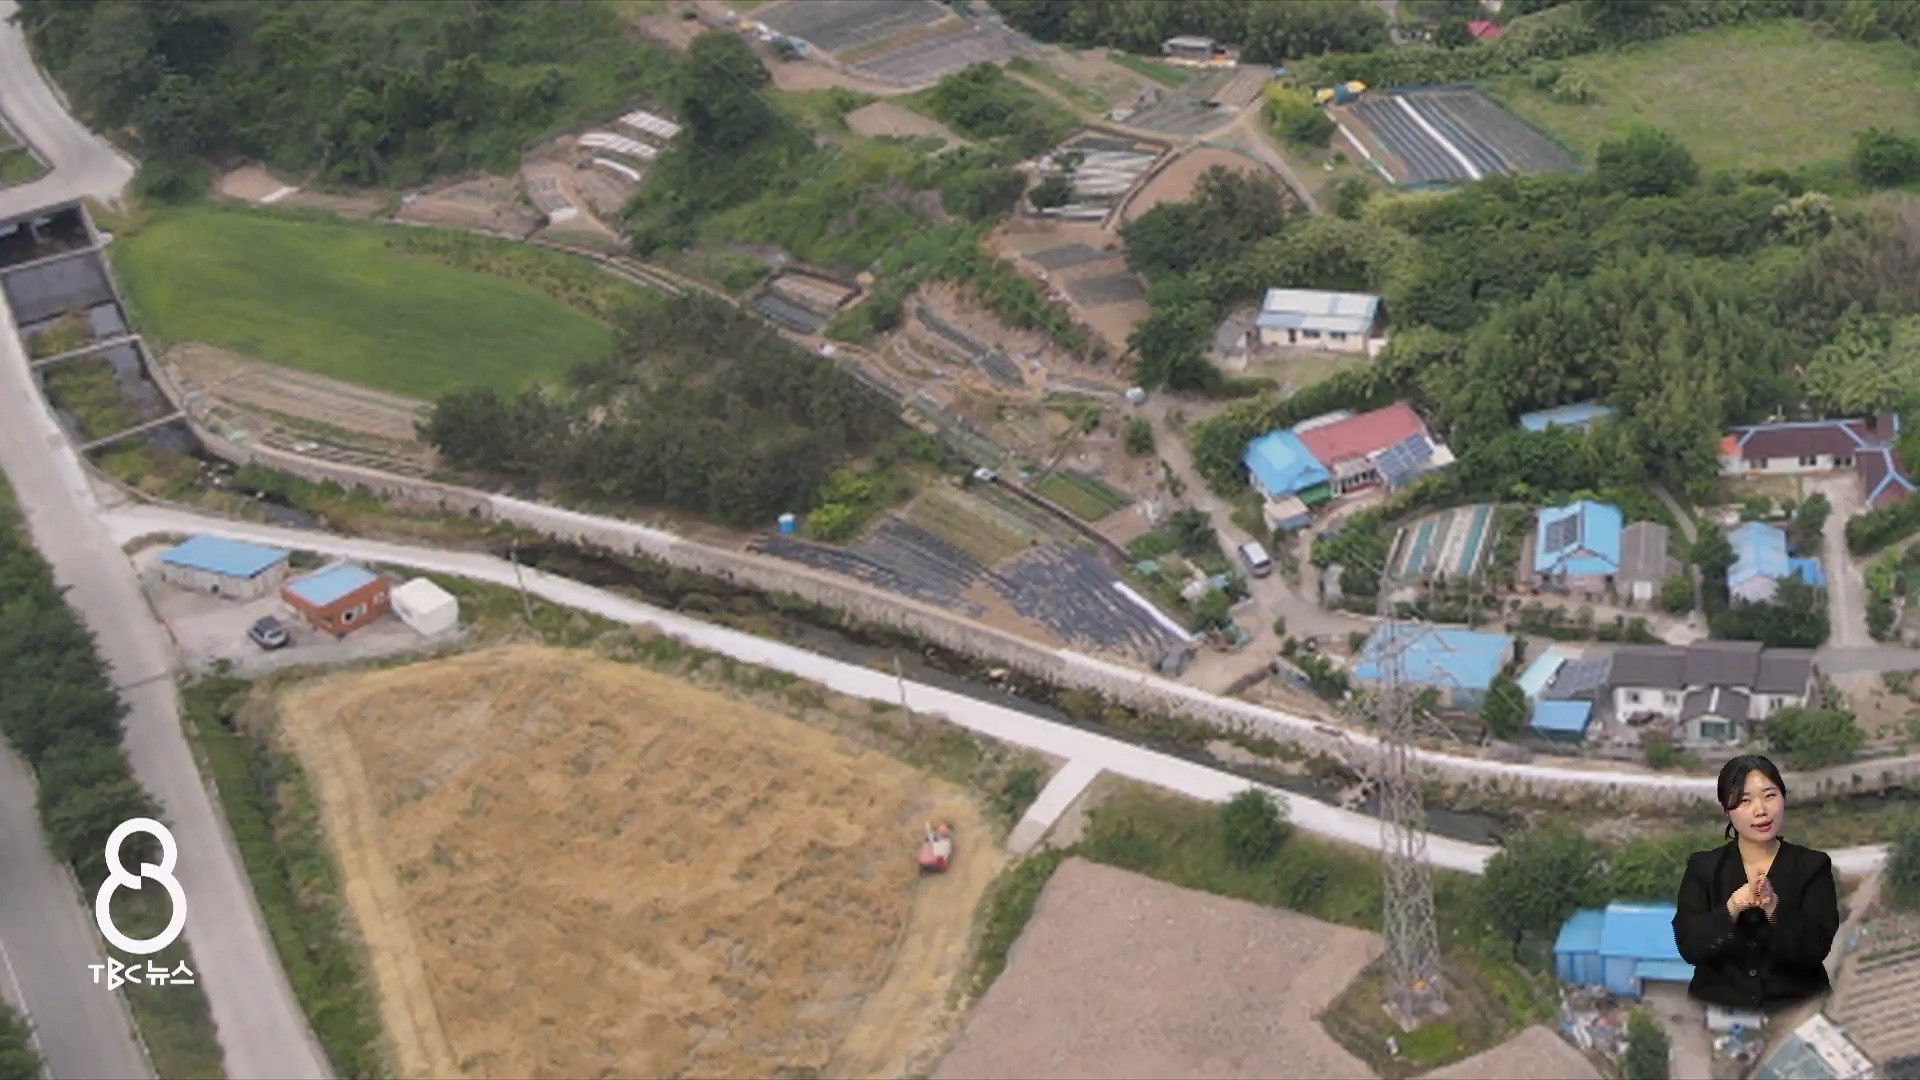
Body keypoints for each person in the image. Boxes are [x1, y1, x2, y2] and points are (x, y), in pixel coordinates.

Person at [1672, 754, 1839, 1012]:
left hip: (1797, 1011)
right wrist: (1732, 908)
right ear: (1726, 808)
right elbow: (1690, 948)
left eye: (1770, 796)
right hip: (1718, 1012)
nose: (1761, 810)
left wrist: (1774, 909)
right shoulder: (1703, 868)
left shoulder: (1813, 867)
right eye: (1745, 800)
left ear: (1783, 797)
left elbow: (1815, 950)